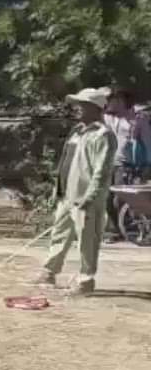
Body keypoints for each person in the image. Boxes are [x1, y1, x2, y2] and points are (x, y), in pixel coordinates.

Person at [37, 87, 119, 295]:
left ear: (94, 108)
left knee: (87, 239)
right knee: (59, 233)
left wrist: (91, 197)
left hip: (86, 198)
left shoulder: (103, 135)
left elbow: (102, 171)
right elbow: (66, 163)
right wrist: (59, 190)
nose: (77, 109)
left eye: (82, 106)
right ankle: (49, 271)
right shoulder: (77, 132)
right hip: (68, 195)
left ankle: (85, 280)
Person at [103, 88, 150, 241]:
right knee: (107, 198)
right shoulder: (110, 119)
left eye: (115, 100)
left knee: (120, 199)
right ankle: (115, 229)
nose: (111, 103)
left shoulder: (139, 119)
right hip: (109, 162)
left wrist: (147, 165)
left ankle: (123, 230)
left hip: (126, 164)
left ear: (123, 102)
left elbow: (148, 143)